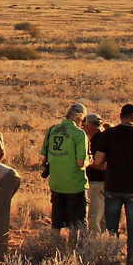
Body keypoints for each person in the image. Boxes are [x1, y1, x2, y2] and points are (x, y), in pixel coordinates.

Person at [92, 104, 133, 265]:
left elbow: (98, 161)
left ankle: (110, 261)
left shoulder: (108, 134)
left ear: (120, 116)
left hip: (112, 186)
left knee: (112, 227)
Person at [42, 103, 90, 240]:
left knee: (56, 223)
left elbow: (45, 158)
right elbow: (80, 163)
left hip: (56, 183)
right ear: (81, 118)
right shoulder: (79, 134)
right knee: (75, 224)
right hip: (75, 185)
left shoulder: (52, 130)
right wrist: (90, 161)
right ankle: (72, 250)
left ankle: (53, 248)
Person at [80, 112, 107, 235]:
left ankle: (93, 247)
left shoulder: (99, 139)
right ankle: (103, 246)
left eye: (84, 124)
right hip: (100, 183)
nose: (82, 127)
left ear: (91, 124)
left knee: (93, 218)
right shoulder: (98, 138)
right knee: (100, 220)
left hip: (98, 184)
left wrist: (86, 163)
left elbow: (103, 166)